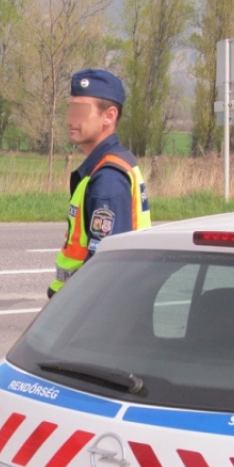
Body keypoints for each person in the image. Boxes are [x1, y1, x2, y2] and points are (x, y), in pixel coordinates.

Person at [48, 69, 151, 298]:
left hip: (87, 311)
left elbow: (107, 269)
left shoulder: (108, 179)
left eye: (81, 111)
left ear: (109, 116)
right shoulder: (108, 165)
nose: (70, 119)